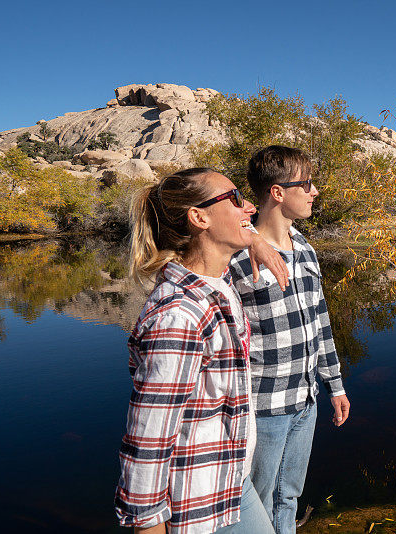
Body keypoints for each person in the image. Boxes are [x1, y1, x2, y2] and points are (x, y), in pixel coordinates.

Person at [115, 167, 281, 534]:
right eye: (236, 199)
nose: (250, 207)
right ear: (199, 217)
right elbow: (148, 440)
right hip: (196, 504)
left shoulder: (217, 285)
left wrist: (254, 240)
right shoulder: (179, 316)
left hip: (230, 481)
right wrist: (148, 525)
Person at [228, 146, 351, 534]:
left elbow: (321, 322)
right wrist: (250, 238)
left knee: (289, 497)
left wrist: (335, 385)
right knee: (258, 502)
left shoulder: (307, 250)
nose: (315, 191)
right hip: (264, 405)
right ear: (278, 192)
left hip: (307, 400)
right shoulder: (236, 257)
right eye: (308, 184)